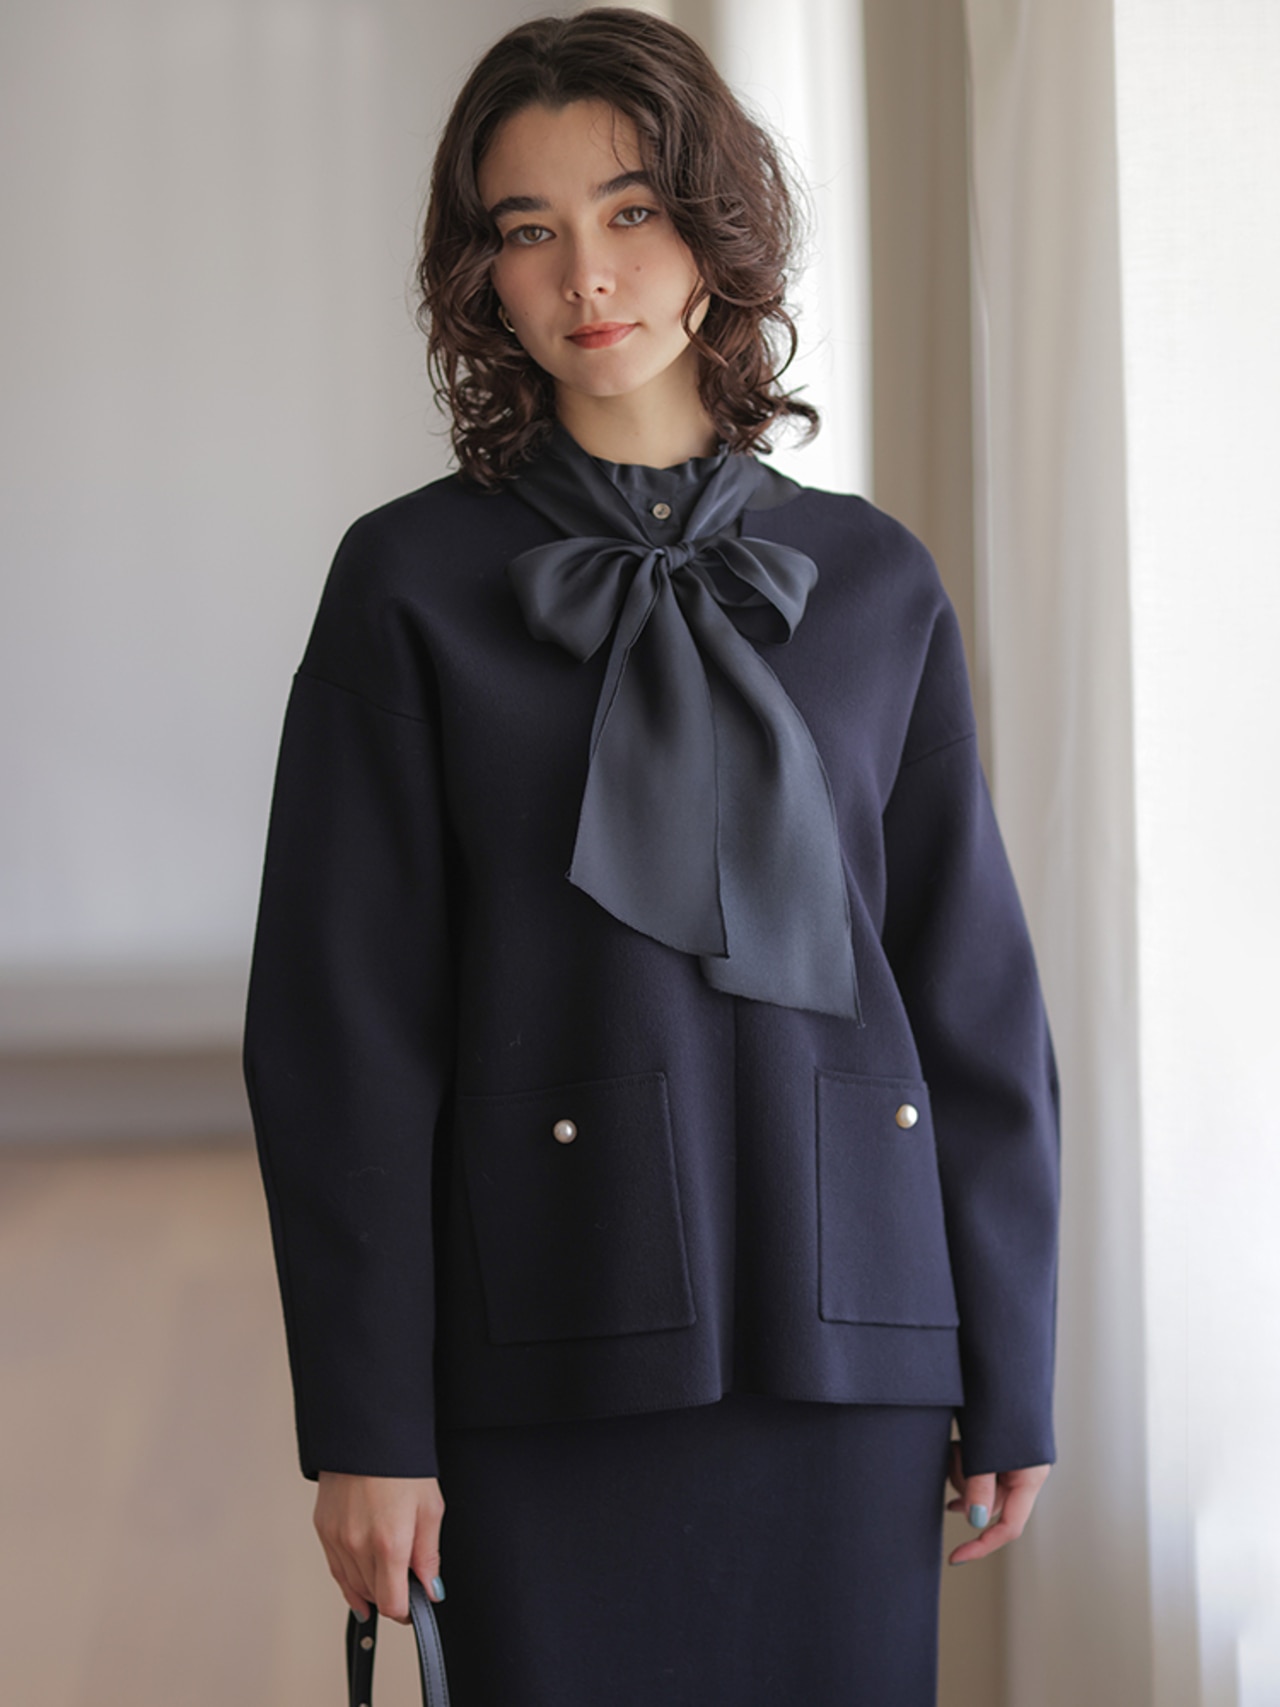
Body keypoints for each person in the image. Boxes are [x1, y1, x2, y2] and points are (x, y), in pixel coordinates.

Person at [242, 9, 1059, 1704]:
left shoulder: (877, 583)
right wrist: (367, 1423)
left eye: (629, 210)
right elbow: (343, 1034)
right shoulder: (407, 587)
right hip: (544, 1332)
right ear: (482, 274)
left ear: (715, 226)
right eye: (526, 228)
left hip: (855, 1341)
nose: (586, 274)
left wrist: (1014, 1363)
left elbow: (970, 998)